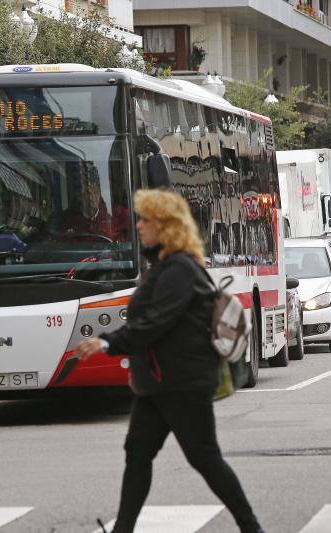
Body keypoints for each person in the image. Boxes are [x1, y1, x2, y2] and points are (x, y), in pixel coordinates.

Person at [75, 189, 263, 533]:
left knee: (203, 457)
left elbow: (154, 322)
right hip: (159, 381)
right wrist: (112, 341)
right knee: (138, 453)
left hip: (182, 382)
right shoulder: (166, 266)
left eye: (146, 219)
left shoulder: (179, 269)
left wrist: (107, 342)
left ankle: (252, 528)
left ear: (165, 226)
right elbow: (147, 321)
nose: (140, 225)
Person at [61, 165, 130, 242]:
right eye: (87, 192)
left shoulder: (118, 214)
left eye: (94, 191)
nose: (91, 197)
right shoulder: (67, 220)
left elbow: (134, 237)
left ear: (100, 192)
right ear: (79, 195)